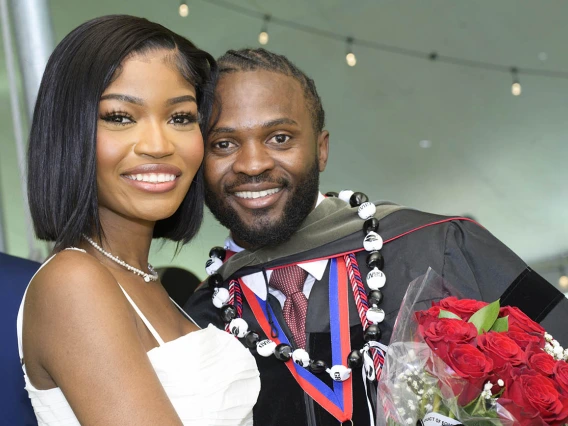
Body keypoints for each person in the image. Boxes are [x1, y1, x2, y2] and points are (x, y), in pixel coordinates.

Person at [185, 48, 568, 426]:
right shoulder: (196, 321)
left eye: (280, 138)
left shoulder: (440, 246)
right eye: (224, 144)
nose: (253, 164)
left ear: (321, 149)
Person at [18, 16, 259, 426]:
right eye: (120, 116)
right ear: (68, 132)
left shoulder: (141, 279)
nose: (158, 145)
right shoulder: (74, 281)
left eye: (181, 117)